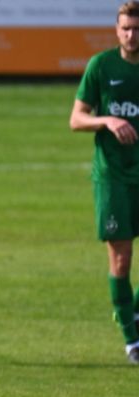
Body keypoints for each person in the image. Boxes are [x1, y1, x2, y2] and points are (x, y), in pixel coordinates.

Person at [71, 1, 139, 365]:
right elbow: (76, 118)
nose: (131, 35)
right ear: (116, 30)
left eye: (137, 28)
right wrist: (107, 121)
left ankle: (133, 311)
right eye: (126, 28)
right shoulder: (102, 66)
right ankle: (132, 340)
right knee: (122, 258)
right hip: (113, 177)